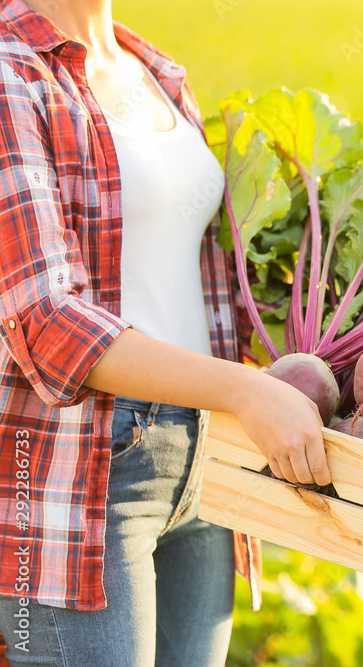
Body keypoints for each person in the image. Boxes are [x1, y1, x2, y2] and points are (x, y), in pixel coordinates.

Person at [0, 0, 332, 664]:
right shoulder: (12, 73)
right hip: (80, 472)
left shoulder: (156, 70)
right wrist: (245, 390)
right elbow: (44, 318)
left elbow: (192, 266)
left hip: (206, 453)